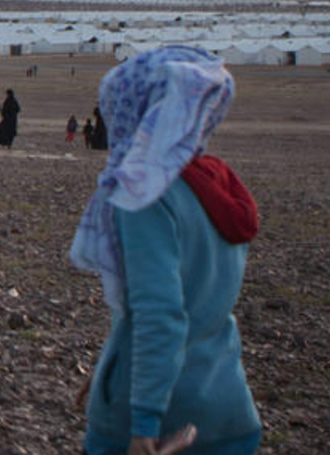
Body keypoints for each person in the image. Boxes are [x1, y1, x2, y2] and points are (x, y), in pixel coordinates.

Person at [68, 46, 261, 455]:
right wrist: (106, 371)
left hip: (158, 423)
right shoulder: (213, 183)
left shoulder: (145, 195)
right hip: (227, 408)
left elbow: (161, 316)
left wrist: (143, 423)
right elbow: (199, 303)